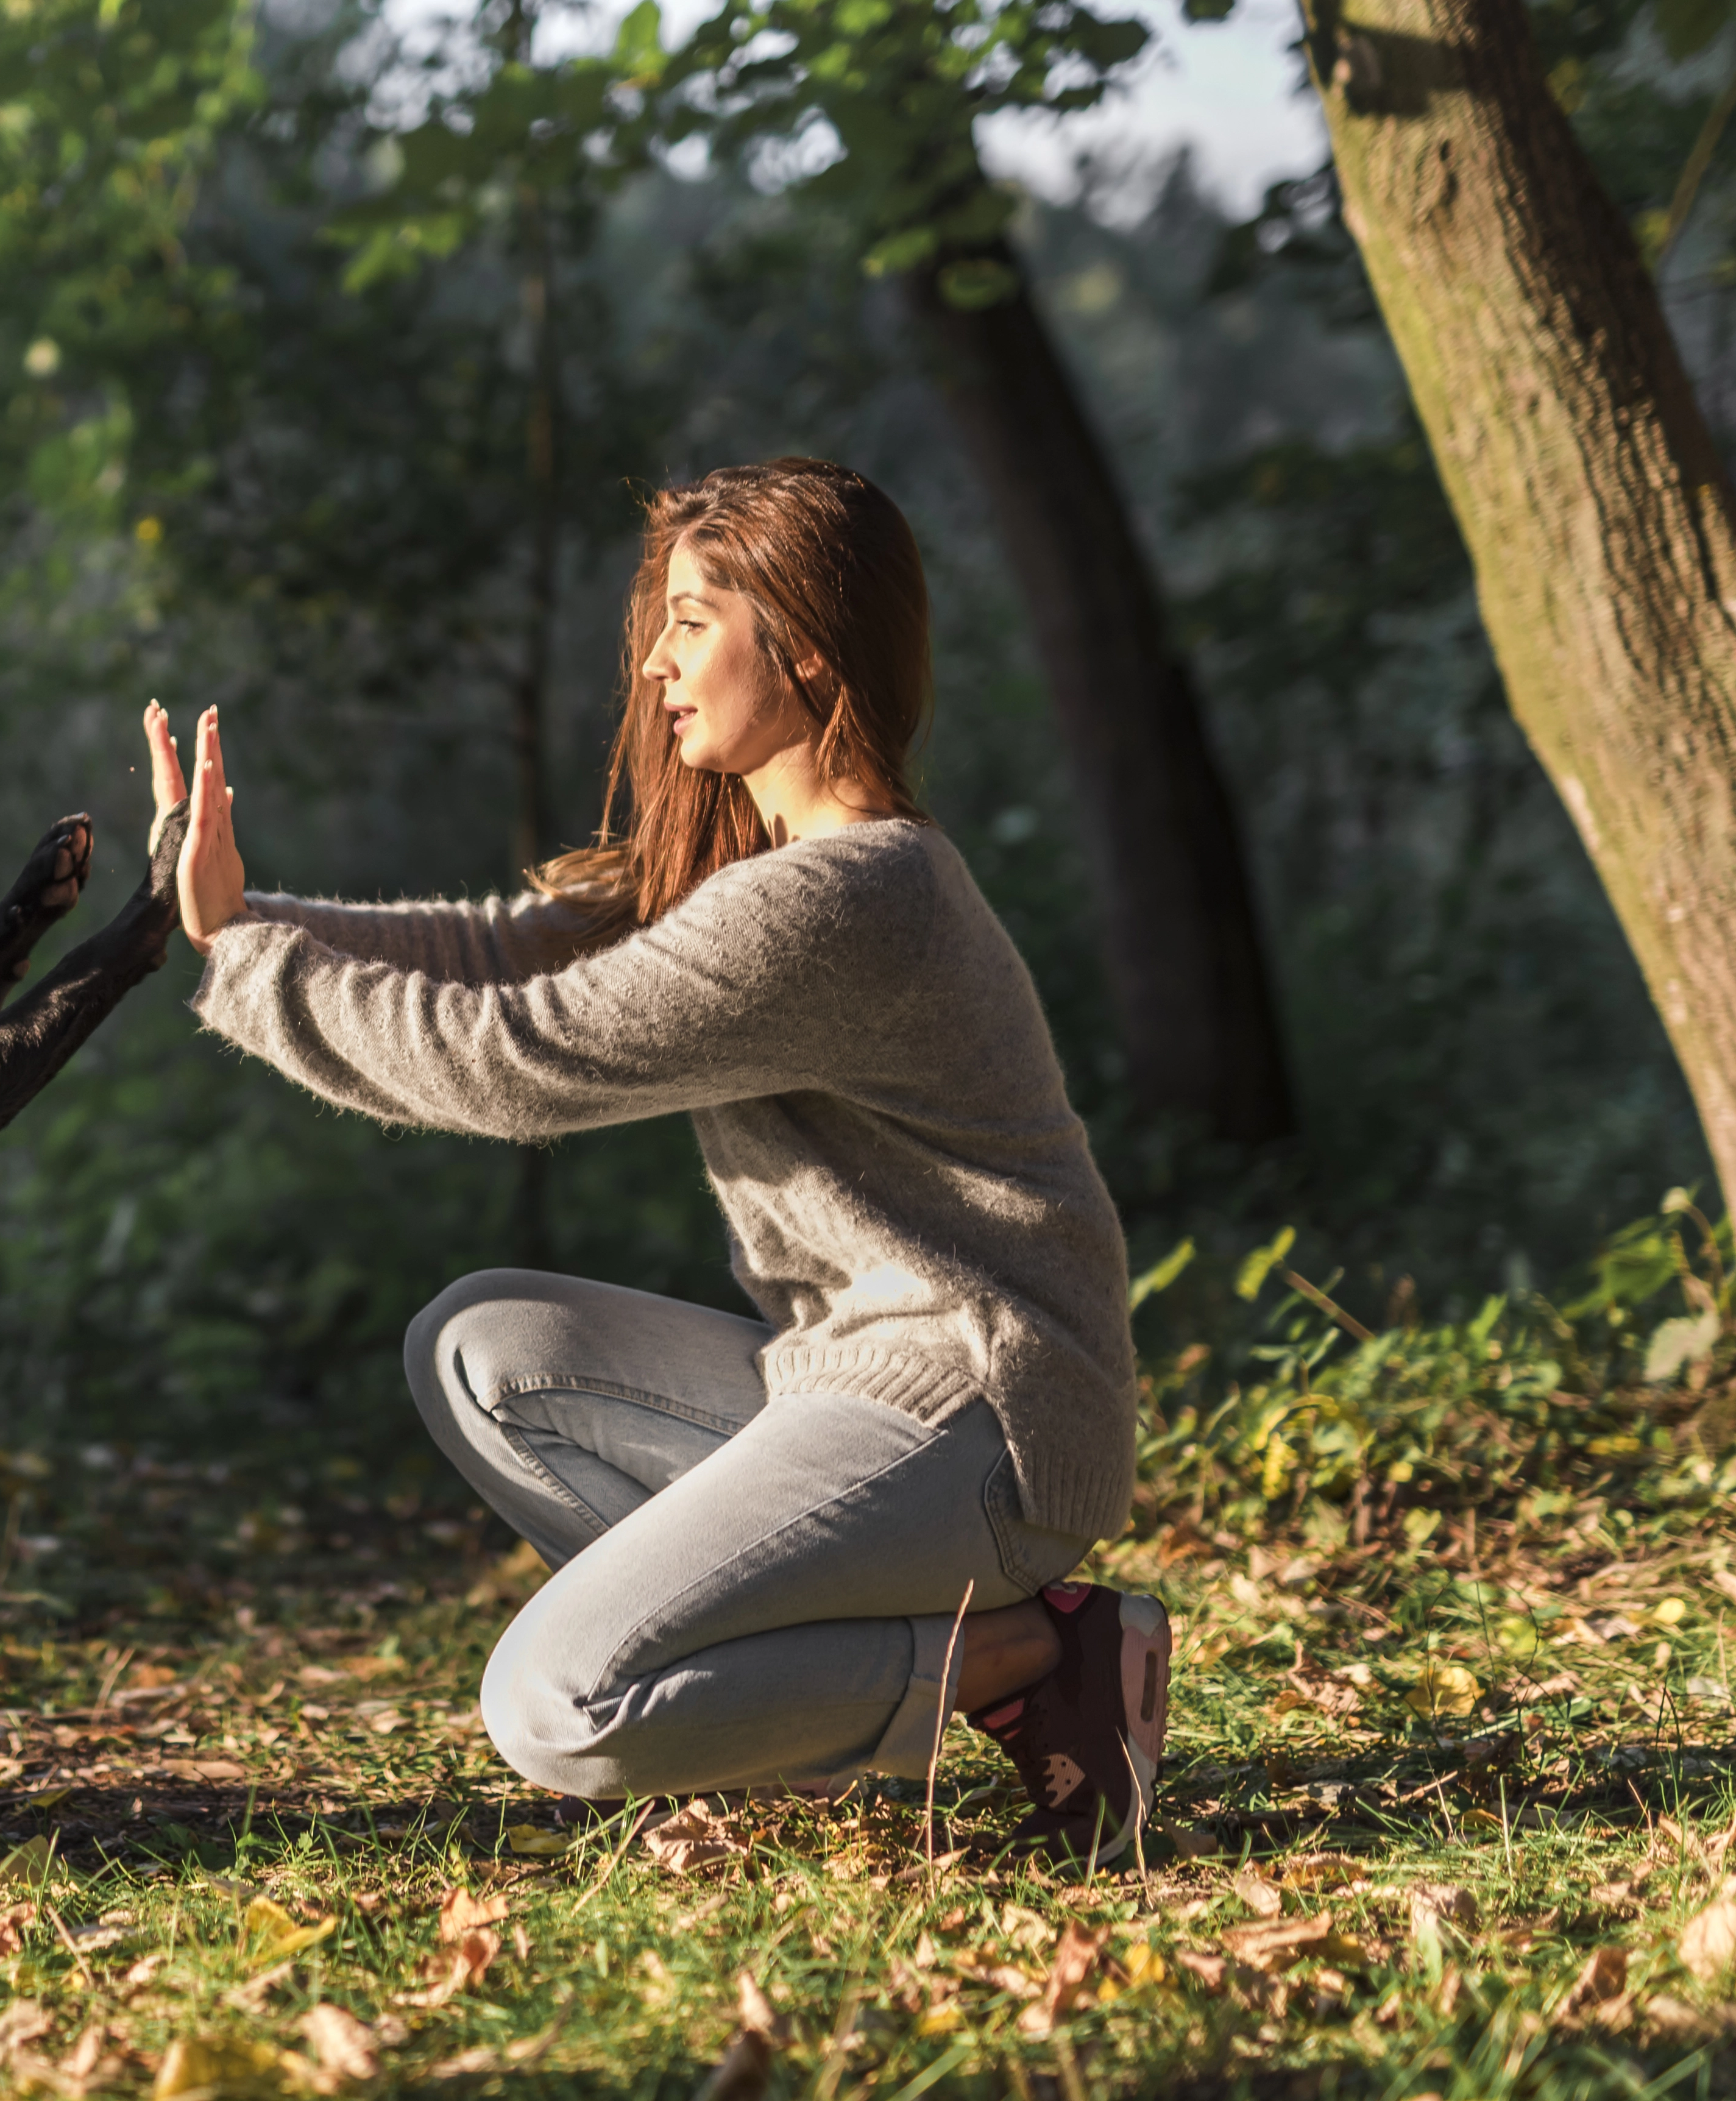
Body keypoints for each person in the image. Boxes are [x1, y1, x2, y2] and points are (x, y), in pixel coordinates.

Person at [137, 457, 1167, 1868]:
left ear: (805, 641)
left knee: (556, 1703)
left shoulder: (845, 898)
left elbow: (508, 1056)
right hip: (864, 1383)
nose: (652, 661)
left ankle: (1014, 1659)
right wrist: (241, 915)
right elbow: (506, 949)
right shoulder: (768, 869)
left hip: (984, 1418)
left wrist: (247, 962)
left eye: (691, 620)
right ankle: (757, 1704)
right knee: (483, 1346)